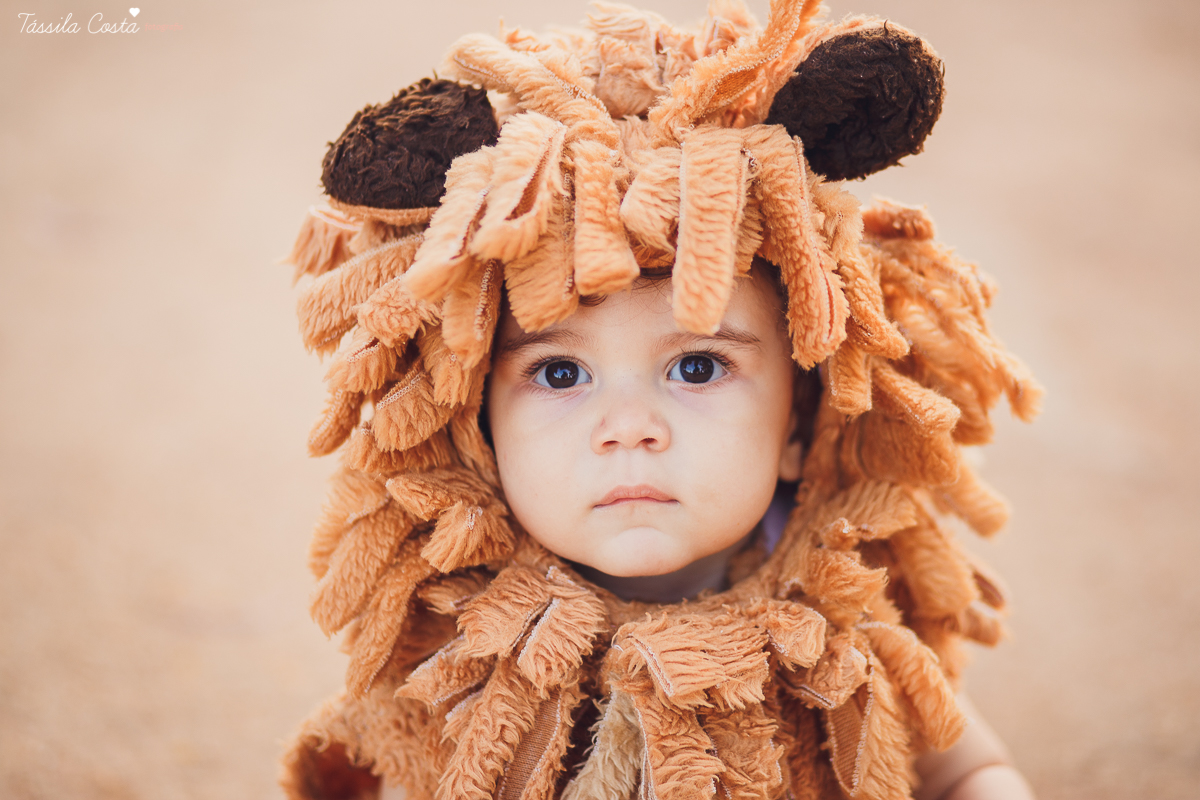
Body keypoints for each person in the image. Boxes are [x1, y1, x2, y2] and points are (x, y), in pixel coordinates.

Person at [281, 2, 1043, 798]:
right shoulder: (457, 646)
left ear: (799, 426)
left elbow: (969, 769)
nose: (630, 428)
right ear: (478, 429)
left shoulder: (838, 617)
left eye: (698, 368)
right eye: (560, 375)